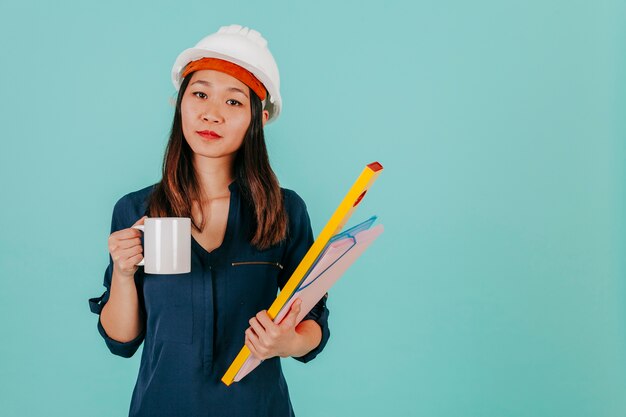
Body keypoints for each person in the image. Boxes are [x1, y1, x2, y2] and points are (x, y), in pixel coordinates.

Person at [88, 24, 331, 417]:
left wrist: (286, 343)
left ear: (261, 118)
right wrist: (122, 271)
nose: (211, 114)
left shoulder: (285, 211)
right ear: (179, 102)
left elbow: (314, 320)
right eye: (199, 94)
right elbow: (122, 340)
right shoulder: (136, 210)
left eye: (234, 102)